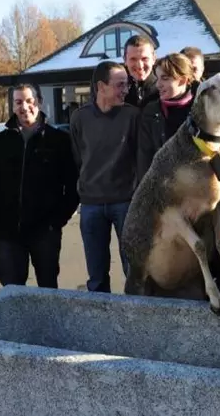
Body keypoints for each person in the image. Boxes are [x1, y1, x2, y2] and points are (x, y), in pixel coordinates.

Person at [0, 84, 78, 289]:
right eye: (18, 102)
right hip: (8, 234)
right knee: (12, 294)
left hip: (45, 232)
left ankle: (49, 323)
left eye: (29, 101)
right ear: (13, 106)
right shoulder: (0, 142)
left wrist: (57, 221)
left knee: (48, 290)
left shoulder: (59, 140)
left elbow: (72, 186)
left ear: (40, 102)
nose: (24, 107)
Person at [70, 61, 140, 292]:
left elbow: (138, 157)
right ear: (101, 86)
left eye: (126, 85)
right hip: (91, 205)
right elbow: (78, 158)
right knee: (97, 276)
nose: (125, 90)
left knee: (133, 271)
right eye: (120, 85)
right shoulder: (79, 118)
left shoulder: (133, 116)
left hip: (125, 203)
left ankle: (135, 318)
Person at [137, 53, 196, 181]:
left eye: (164, 78)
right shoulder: (150, 111)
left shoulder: (200, 110)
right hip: (162, 187)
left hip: (195, 189)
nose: (158, 84)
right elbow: (144, 157)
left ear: (182, 80)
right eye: (157, 78)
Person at [123, 35, 157, 108]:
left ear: (154, 59)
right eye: (133, 59)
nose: (140, 66)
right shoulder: (119, 93)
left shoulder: (163, 91)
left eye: (144, 59)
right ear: (125, 60)